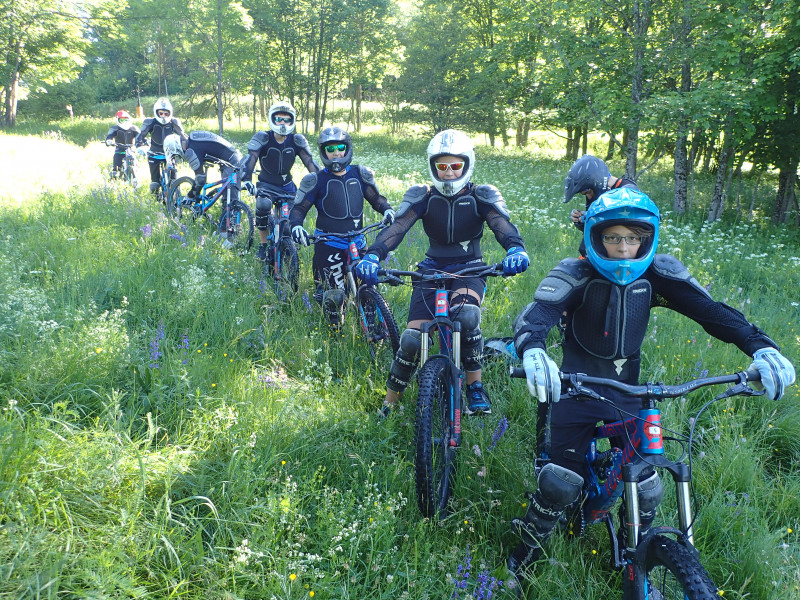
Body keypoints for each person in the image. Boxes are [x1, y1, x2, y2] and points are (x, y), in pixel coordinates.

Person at [506, 186, 796, 578]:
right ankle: (523, 557)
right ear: (595, 237)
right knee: (560, 483)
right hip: (576, 388)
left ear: (646, 238)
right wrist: (532, 349)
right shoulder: (575, 272)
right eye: (612, 237)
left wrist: (762, 348)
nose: (623, 248)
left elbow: (712, 312)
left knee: (647, 485)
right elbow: (538, 314)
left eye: (632, 238)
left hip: (630, 395)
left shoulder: (658, 275)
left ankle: (638, 556)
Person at [355, 129, 529, 416]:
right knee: (411, 339)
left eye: (455, 166)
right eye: (442, 166)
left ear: (467, 164)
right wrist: (374, 255)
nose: (448, 173)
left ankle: (475, 387)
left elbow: (501, 225)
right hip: (430, 271)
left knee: (467, 316)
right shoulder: (422, 196)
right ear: (433, 166)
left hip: (470, 269)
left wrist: (515, 249)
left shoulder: (481, 195)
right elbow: (397, 227)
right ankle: (388, 406)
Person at [289, 126, 395, 327]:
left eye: (340, 147)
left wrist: (387, 209)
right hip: (329, 242)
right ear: (323, 152)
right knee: (336, 295)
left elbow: (376, 198)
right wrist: (296, 226)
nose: (336, 152)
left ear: (348, 149)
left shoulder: (360, 174)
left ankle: (372, 324)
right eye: (331, 149)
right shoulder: (316, 180)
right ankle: (335, 331)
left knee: (368, 281)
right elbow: (299, 209)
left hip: (358, 239)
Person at [239, 101, 320, 262]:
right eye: (278, 119)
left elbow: (310, 162)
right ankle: (263, 245)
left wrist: (321, 180)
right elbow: (251, 158)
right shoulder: (263, 137)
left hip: (288, 187)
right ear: (271, 119)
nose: (282, 123)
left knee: (289, 224)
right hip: (266, 186)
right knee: (262, 206)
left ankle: (289, 258)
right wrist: (247, 179)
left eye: (286, 119)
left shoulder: (297, 140)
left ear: (292, 121)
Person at [563, 154, 638, 256]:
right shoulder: (597, 192)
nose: (588, 197)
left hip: (615, 257)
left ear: (597, 182)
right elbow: (599, 230)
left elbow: (626, 229)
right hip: (594, 253)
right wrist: (582, 221)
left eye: (587, 192)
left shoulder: (628, 192)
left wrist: (593, 217)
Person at [162, 131, 243, 204]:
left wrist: (190, 196)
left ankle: (229, 220)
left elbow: (200, 178)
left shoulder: (190, 151)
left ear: (175, 148)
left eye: (176, 155)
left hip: (231, 161)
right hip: (232, 156)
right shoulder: (194, 140)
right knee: (228, 196)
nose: (179, 157)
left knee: (230, 201)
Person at [135, 98, 186, 194]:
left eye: (166, 114)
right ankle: (156, 202)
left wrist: (187, 147)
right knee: (154, 184)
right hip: (154, 153)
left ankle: (174, 201)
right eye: (161, 113)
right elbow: (141, 135)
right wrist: (139, 146)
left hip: (170, 154)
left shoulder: (174, 122)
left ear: (170, 113)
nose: (163, 116)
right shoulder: (150, 122)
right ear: (156, 112)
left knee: (174, 180)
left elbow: (183, 136)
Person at [104, 110, 140, 179]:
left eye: (126, 119)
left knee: (136, 165)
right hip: (119, 151)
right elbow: (110, 136)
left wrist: (143, 141)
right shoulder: (115, 128)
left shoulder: (133, 128)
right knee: (116, 171)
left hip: (131, 150)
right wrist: (109, 141)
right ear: (118, 120)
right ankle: (114, 183)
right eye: (121, 120)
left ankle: (135, 177)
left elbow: (140, 136)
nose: (124, 122)